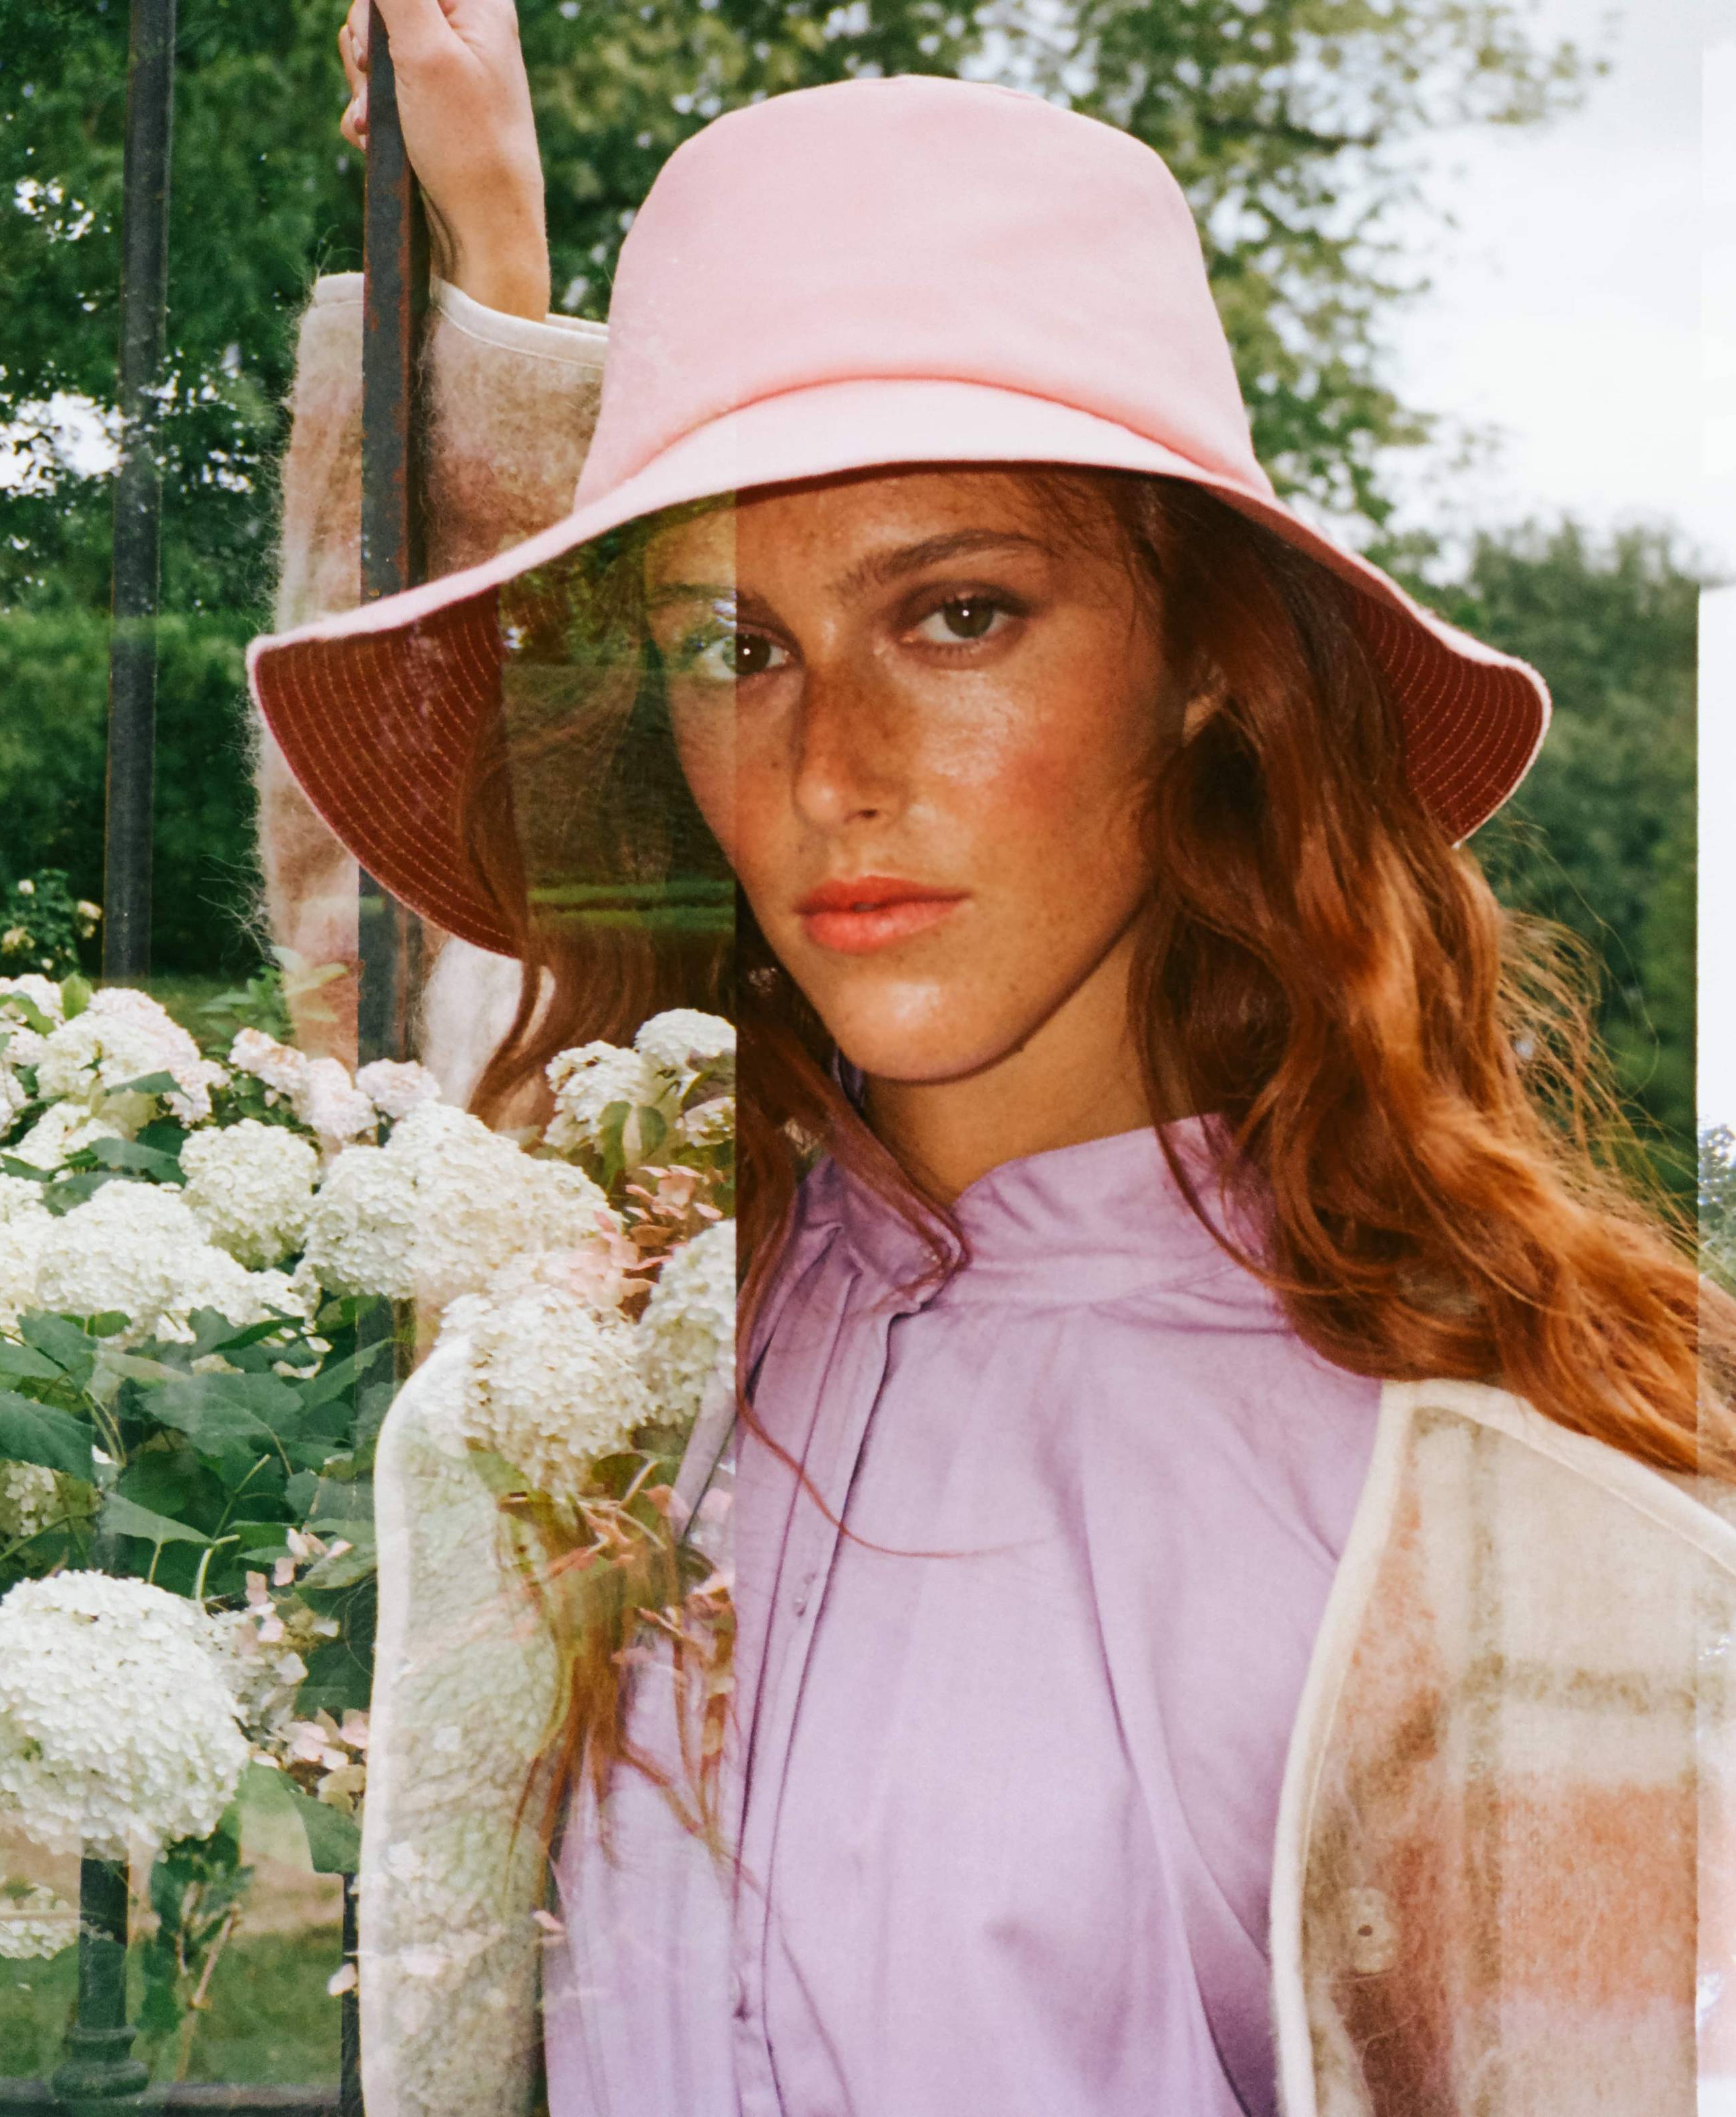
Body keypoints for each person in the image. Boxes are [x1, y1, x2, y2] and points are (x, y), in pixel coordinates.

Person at [248, 22, 1735, 2117]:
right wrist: (487, 246)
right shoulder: (642, 1326)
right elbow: (399, 977)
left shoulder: (1491, 1531)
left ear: (1204, 664)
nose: (827, 772)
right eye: (727, 649)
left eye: (954, 617)